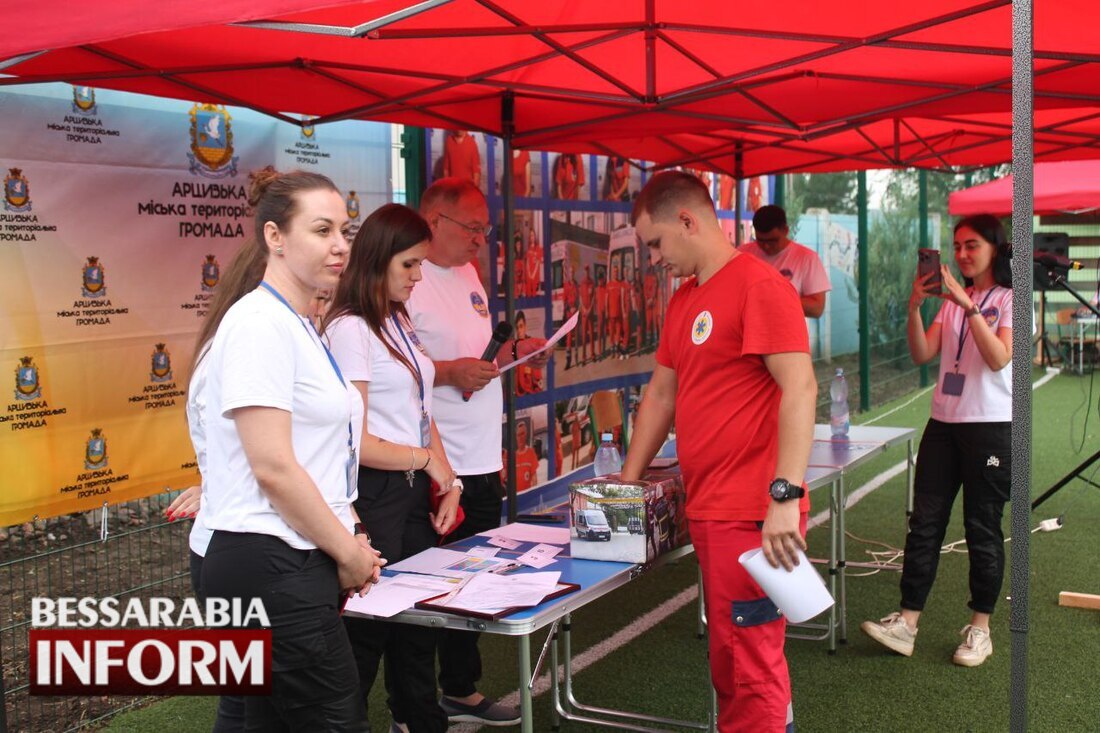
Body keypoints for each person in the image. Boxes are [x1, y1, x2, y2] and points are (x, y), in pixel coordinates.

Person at [619, 171, 816, 732]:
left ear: (688, 221)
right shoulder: (687, 299)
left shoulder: (760, 285)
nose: (654, 258)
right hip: (713, 507)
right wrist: (629, 481)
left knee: (747, 660)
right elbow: (662, 392)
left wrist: (784, 497)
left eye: (655, 243)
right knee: (734, 659)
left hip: (754, 514)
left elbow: (800, 387)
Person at [198, 168, 380, 731]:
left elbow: (310, 455)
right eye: (322, 230)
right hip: (270, 560)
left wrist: (344, 535)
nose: (340, 246)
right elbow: (273, 467)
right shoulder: (259, 324)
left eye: (345, 231)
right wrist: (347, 551)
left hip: (286, 557)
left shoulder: (293, 322)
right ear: (275, 237)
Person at [407, 177, 547, 727]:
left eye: (485, 230)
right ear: (435, 221)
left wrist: (517, 353)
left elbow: (477, 355)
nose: (481, 241)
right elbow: (389, 368)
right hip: (438, 467)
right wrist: (448, 373)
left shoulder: (468, 274)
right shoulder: (407, 279)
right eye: (473, 228)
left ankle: (459, 689)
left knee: (476, 584)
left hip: (483, 460)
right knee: (433, 585)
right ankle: (415, 704)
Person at [324, 203, 462, 733]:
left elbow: (422, 414)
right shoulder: (351, 328)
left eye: (421, 264)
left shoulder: (396, 319)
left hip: (408, 490)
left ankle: (420, 720)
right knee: (368, 628)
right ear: (378, 259)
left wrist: (447, 480)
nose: (418, 276)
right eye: (409, 265)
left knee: (419, 618)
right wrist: (426, 463)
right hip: (374, 492)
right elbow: (354, 440)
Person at [861, 214, 1013, 668]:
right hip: (943, 426)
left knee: (982, 528)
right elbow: (923, 354)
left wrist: (968, 305)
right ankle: (907, 623)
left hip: (990, 427)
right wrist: (913, 308)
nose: (962, 255)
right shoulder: (949, 304)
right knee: (924, 524)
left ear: (994, 248)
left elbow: (999, 357)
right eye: (957, 246)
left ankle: (979, 629)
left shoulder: (1009, 300)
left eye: (972, 246)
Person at [741, 205, 831, 319]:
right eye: (760, 240)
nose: (766, 246)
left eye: (773, 240)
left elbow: (817, 308)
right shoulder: (743, 254)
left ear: (785, 230)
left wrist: (774, 300)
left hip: (788, 333)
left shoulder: (807, 258)